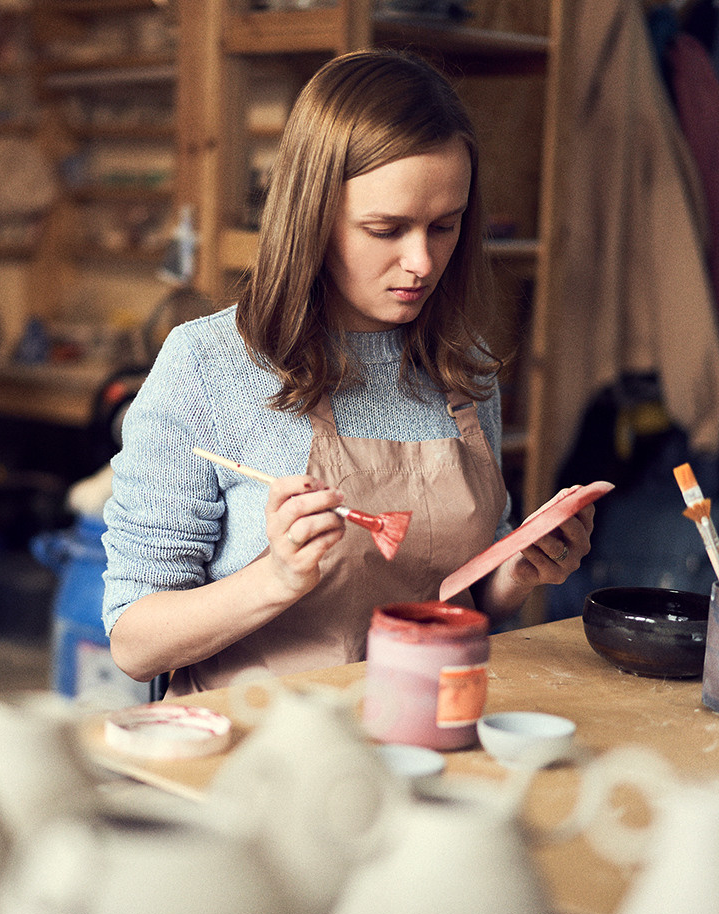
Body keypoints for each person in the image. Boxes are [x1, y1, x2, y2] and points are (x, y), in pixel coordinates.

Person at [102, 48, 595, 696]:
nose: (420, 261)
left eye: (444, 226)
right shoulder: (209, 366)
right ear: (315, 218)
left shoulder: (462, 364)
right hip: (260, 756)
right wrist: (274, 578)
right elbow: (134, 642)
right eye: (386, 229)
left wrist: (518, 570)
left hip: (424, 733)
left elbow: (458, 593)